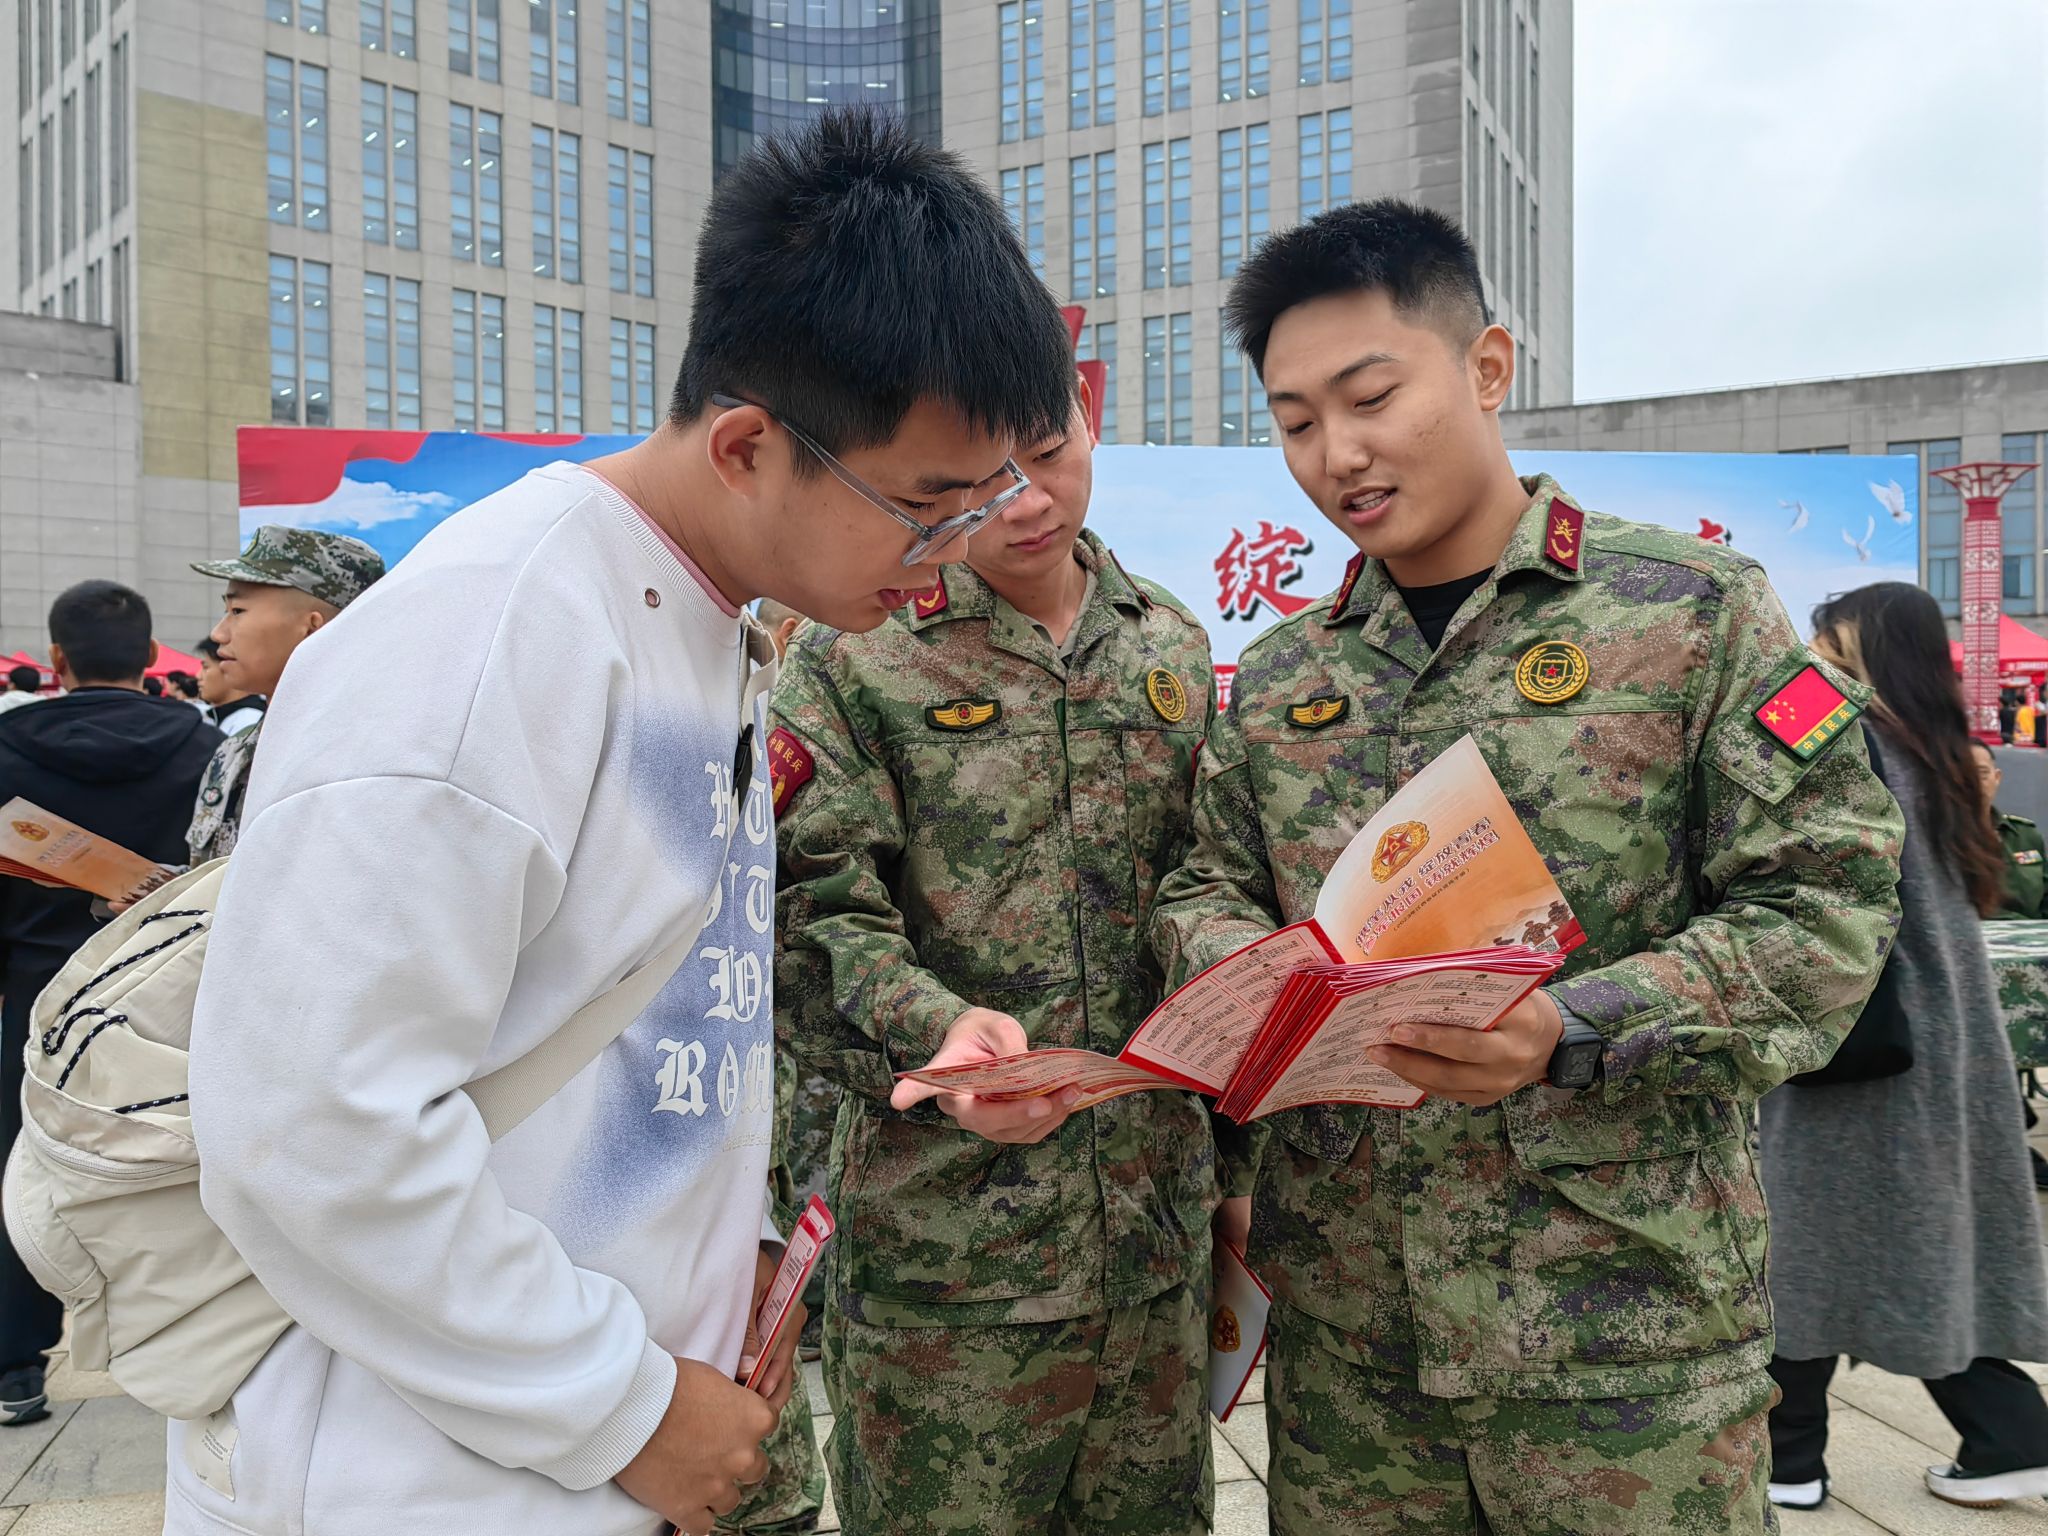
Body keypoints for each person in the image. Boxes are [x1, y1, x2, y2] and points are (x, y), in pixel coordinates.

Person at [172, 107, 1075, 1536]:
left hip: (588, 1444)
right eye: (926, 505)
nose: (952, 553)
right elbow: (307, 1128)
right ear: (748, 446)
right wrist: (625, 1408)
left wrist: (723, 1275)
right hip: (419, 1481)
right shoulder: (490, 635)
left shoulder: (707, 626)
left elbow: (647, 1014)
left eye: (985, 498)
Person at [1147, 200, 1905, 1536]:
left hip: (1624, 1341)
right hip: (1356, 1362)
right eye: (1295, 421)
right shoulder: (1280, 678)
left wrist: (1573, 1026)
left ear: (1487, 368)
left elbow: (1825, 907)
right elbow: (1202, 883)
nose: (1337, 453)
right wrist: (1251, 978)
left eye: (1369, 398)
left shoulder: (1688, 616)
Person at [774, 375, 1230, 1536]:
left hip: (1151, 1245)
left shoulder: (1167, 643)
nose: (1026, 501)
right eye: (984, 478)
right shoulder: (856, 651)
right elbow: (807, 909)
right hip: (948, 1263)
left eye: (1048, 452)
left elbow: (1214, 888)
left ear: (1090, 423)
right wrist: (933, 1035)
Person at [1762, 582, 2048, 1513]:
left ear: (1858, 643)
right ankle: (2007, 1436)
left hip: (1860, 1025)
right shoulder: (1944, 748)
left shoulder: (1827, 719)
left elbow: (1747, 778)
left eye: (1826, 634)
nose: (1810, 648)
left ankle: (1790, 1461)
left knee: (1800, 1238)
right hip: (1944, 1026)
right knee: (1901, 1236)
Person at [0, 581, 222, 1426]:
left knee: (21, 1163)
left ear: (57, 657)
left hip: (38, 991)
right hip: (171, 995)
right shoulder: (209, 748)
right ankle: (186, 1346)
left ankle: (15, 1362)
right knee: (178, 1161)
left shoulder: (6, 746)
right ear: (149, 655)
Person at [182, 527, 385, 866]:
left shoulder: (374, 760)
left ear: (313, 627)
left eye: (237, 611)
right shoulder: (235, 750)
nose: (218, 633)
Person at [1970, 739, 2044, 920]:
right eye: (1966, 775)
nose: (1975, 783)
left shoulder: (2025, 835)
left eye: (1982, 774)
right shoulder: (1939, 842)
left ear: (1997, 778)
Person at [195, 636, 266, 736]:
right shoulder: (215, 716)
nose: (198, 676)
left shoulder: (249, 721)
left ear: (230, 668)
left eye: (206, 667)